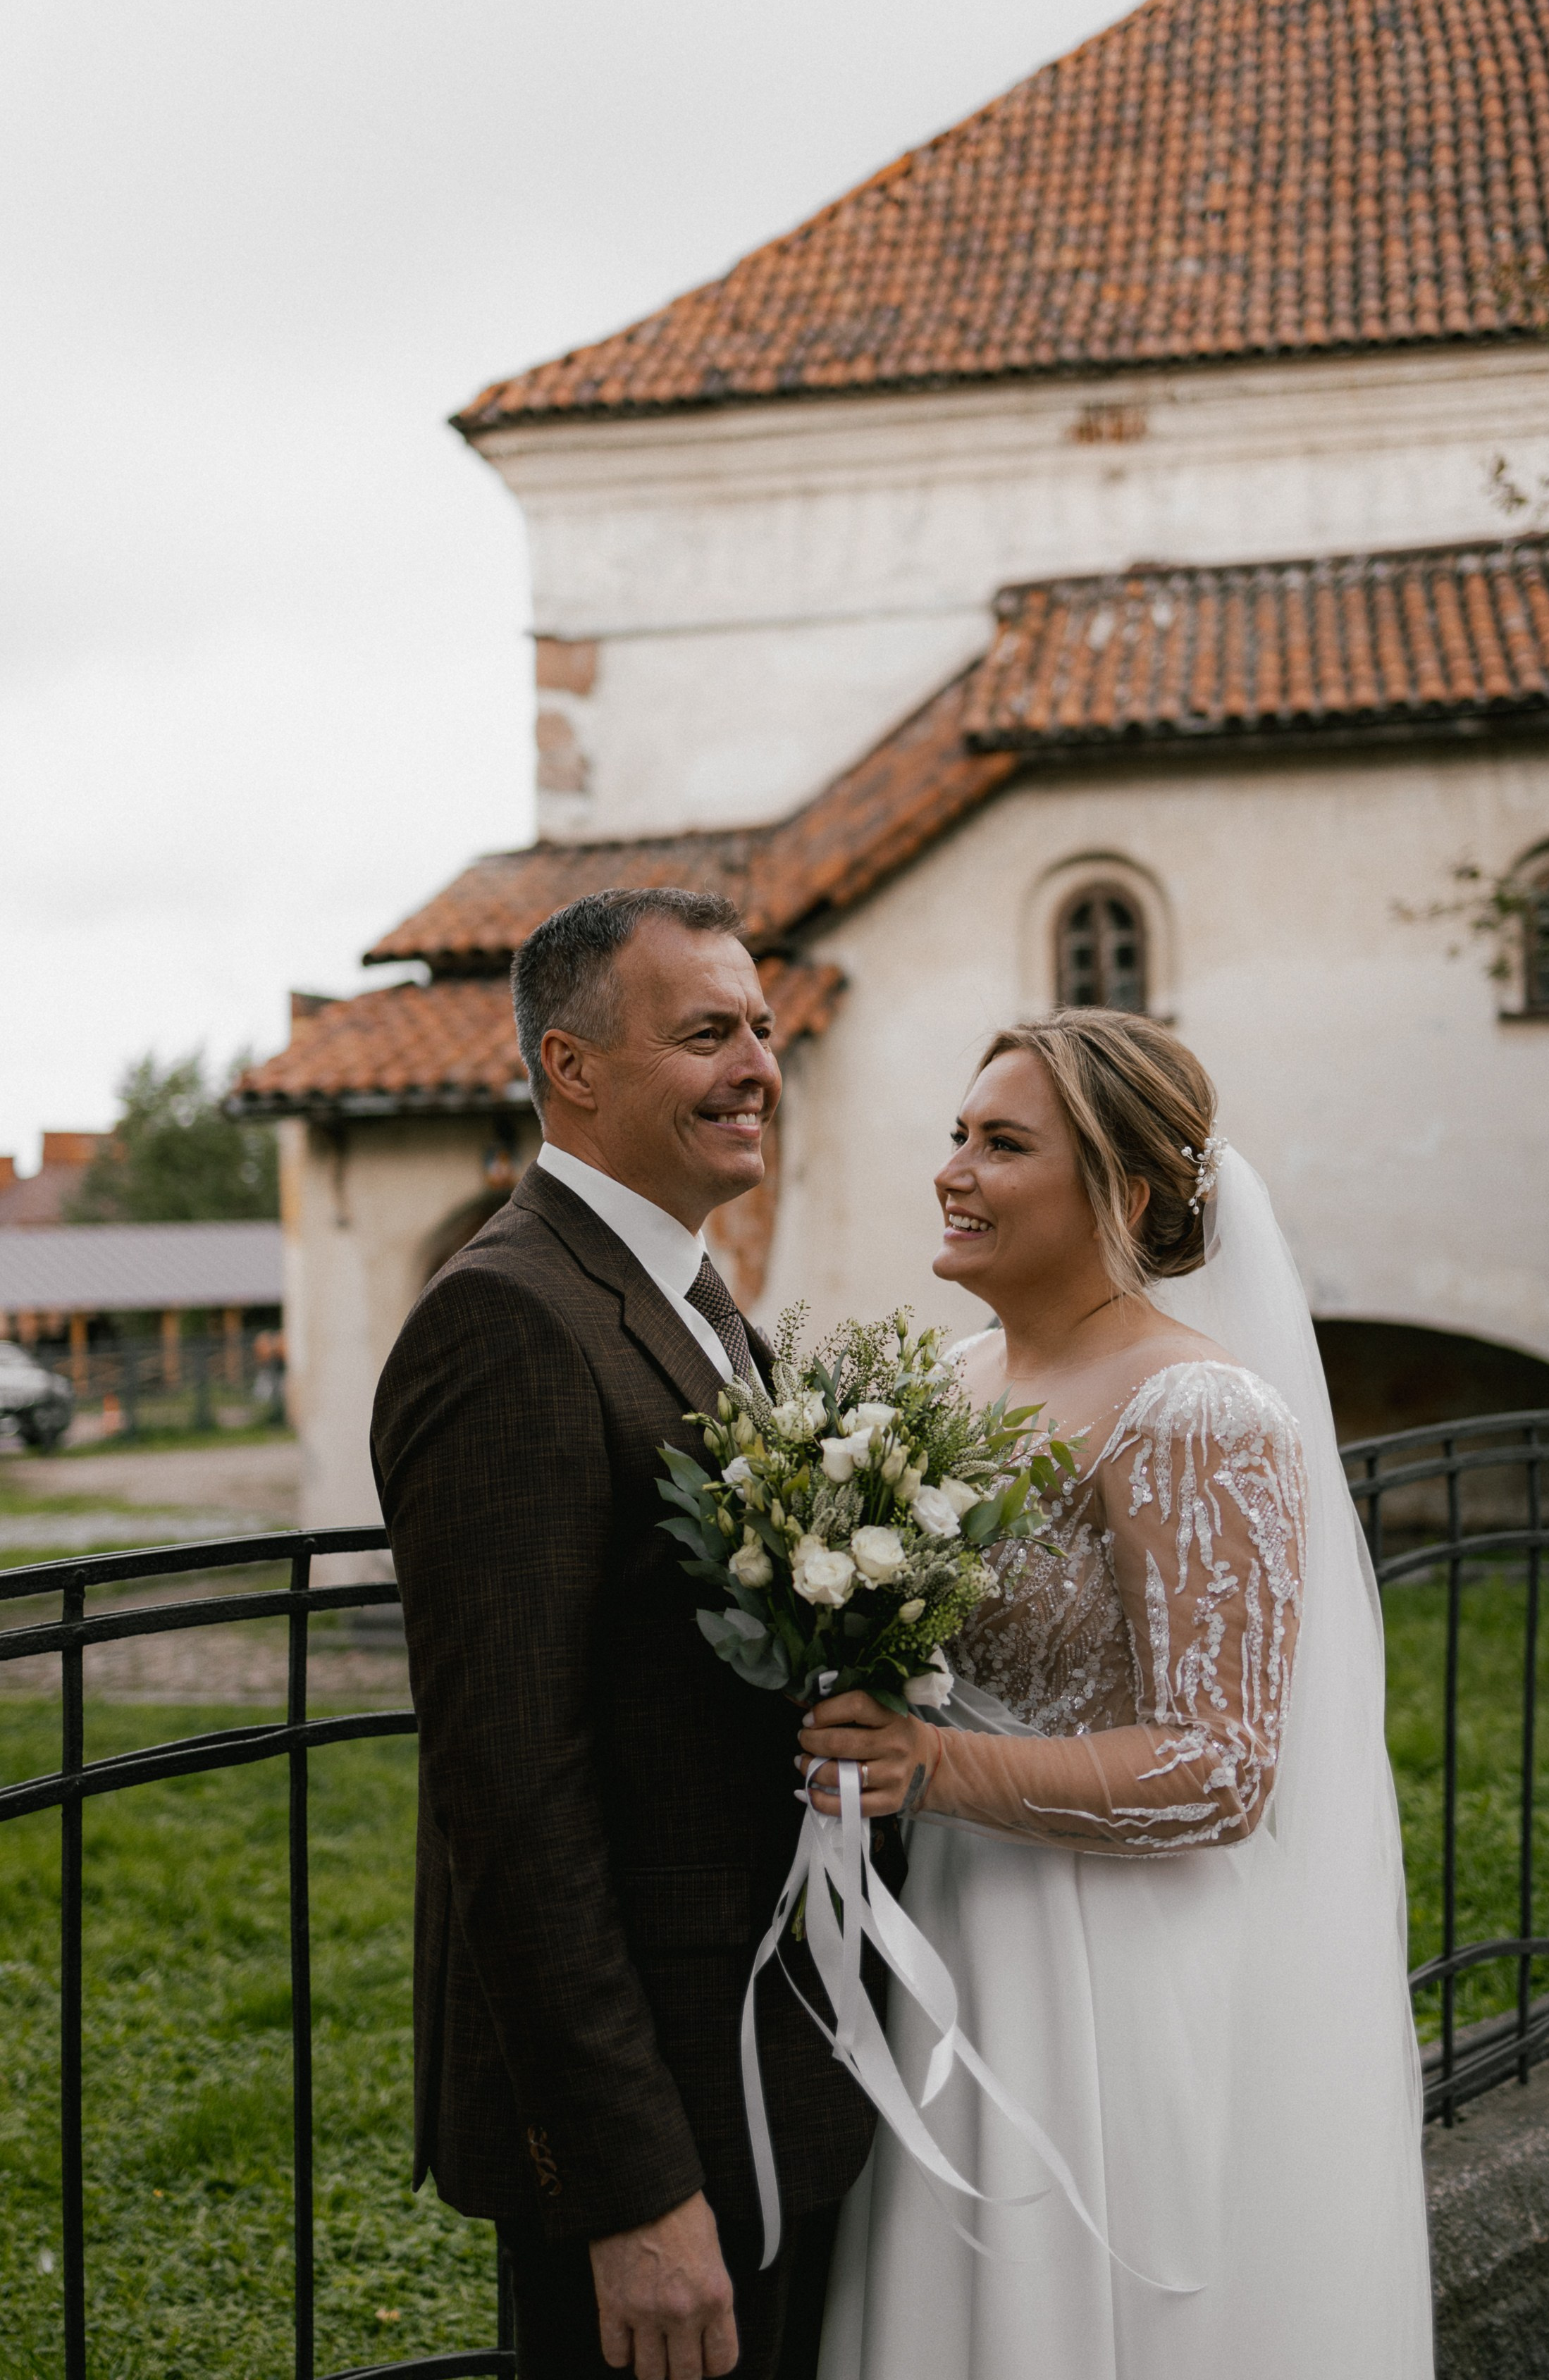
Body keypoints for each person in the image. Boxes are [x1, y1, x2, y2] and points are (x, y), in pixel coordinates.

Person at [802, 1010, 1435, 2380]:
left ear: (1128, 1195)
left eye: (1004, 1144)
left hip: (1103, 1969)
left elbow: (1223, 1770)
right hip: (948, 1925)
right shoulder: (956, 1379)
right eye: (958, 1135)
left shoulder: (1200, 1412)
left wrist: (937, 1767)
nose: (953, 1172)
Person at [371, 888, 890, 2380]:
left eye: (763, 1031)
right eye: (707, 1034)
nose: (758, 1068)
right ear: (574, 1066)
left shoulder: (688, 1296)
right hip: (659, 2123)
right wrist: (632, 2191)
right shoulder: (507, 1321)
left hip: (764, 2073)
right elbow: (509, 1797)